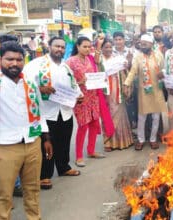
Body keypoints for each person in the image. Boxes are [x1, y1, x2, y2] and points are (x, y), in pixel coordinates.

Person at [0, 41, 53, 220]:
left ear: (24, 60)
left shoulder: (29, 82)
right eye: (9, 59)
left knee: (32, 190)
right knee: (4, 194)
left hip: (32, 143)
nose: (14, 63)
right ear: (0, 60)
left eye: (18, 59)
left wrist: (46, 138)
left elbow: (40, 110)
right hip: (5, 146)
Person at [23, 36, 82, 190]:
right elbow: (25, 83)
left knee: (64, 141)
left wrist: (79, 95)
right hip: (46, 112)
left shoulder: (65, 67)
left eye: (62, 47)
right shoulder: (36, 65)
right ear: (49, 46)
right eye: (56, 46)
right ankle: (44, 175)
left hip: (65, 111)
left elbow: (74, 85)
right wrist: (39, 88)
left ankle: (64, 167)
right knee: (46, 145)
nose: (59, 49)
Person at [66, 36, 105, 167]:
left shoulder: (90, 59)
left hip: (93, 97)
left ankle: (91, 150)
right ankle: (79, 156)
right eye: (85, 46)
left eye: (89, 47)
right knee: (83, 126)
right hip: (80, 98)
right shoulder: (70, 62)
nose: (87, 49)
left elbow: (98, 62)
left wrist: (99, 45)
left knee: (94, 123)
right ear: (77, 46)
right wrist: (79, 82)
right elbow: (65, 81)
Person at [124, 34, 167, 150]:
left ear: (151, 44)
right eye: (141, 43)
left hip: (157, 90)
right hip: (144, 91)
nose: (142, 45)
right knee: (142, 117)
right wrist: (126, 84)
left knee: (156, 117)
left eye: (145, 44)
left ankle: (153, 139)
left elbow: (164, 68)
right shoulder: (138, 57)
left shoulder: (158, 55)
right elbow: (133, 72)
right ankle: (141, 139)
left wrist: (163, 73)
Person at [101, 36, 134, 151]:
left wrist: (127, 64)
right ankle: (108, 142)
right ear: (101, 48)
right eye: (106, 47)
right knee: (107, 115)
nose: (109, 49)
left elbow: (126, 71)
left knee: (120, 115)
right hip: (105, 91)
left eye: (110, 47)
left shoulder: (117, 58)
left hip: (117, 90)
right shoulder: (99, 60)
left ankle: (123, 141)